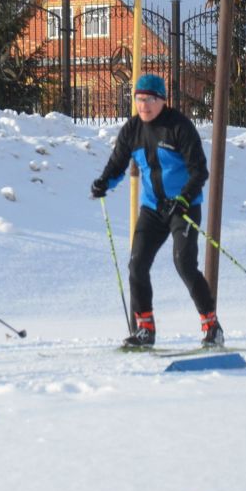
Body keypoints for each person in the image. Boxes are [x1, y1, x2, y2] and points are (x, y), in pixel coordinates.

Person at [90, 72, 223, 350]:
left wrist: (184, 199)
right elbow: (117, 165)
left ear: (163, 100)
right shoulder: (132, 130)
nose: (144, 105)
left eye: (150, 99)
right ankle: (145, 329)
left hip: (182, 207)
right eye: (139, 99)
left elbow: (200, 171)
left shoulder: (179, 127)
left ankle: (212, 326)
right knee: (137, 265)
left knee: (184, 264)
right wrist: (104, 182)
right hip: (152, 208)